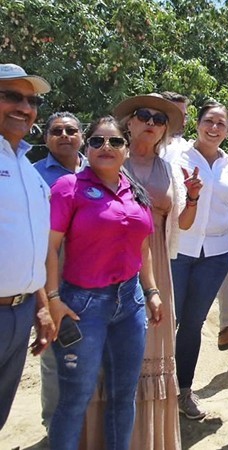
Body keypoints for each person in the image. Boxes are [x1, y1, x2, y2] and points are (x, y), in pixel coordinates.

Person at [46, 116, 163, 449]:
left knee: (124, 395)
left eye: (115, 142)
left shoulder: (133, 189)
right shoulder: (68, 188)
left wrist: (151, 290)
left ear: (126, 149)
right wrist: (53, 299)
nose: (106, 147)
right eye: (97, 141)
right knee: (75, 397)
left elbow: (143, 247)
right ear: (88, 147)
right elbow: (50, 248)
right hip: (82, 306)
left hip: (130, 304)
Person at [113, 93, 199, 447]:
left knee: (155, 345)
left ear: (165, 130)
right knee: (118, 350)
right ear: (129, 122)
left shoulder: (168, 170)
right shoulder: (110, 159)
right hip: (116, 263)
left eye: (159, 119)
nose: (151, 122)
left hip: (159, 263)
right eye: (143, 115)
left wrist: (193, 197)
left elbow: (183, 223)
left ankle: (151, 438)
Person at [168, 101, 228, 420]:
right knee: (166, 323)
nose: (214, 128)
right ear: (197, 124)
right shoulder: (176, 156)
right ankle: (151, 389)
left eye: (221, 123)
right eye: (209, 121)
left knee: (192, 324)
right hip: (177, 250)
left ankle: (184, 392)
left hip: (215, 256)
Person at [0, 63, 56, 430]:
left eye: (31, 100)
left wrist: (40, 305)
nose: (24, 107)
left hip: (20, 314)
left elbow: (32, 240)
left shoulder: (27, 167)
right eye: (12, 97)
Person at [33, 111, 87, 429]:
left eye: (71, 130)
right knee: (56, 358)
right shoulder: (35, 175)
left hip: (95, 279)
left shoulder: (100, 168)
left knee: (91, 355)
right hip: (53, 279)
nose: (65, 135)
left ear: (81, 135)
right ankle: (54, 427)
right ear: (46, 138)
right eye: (57, 131)